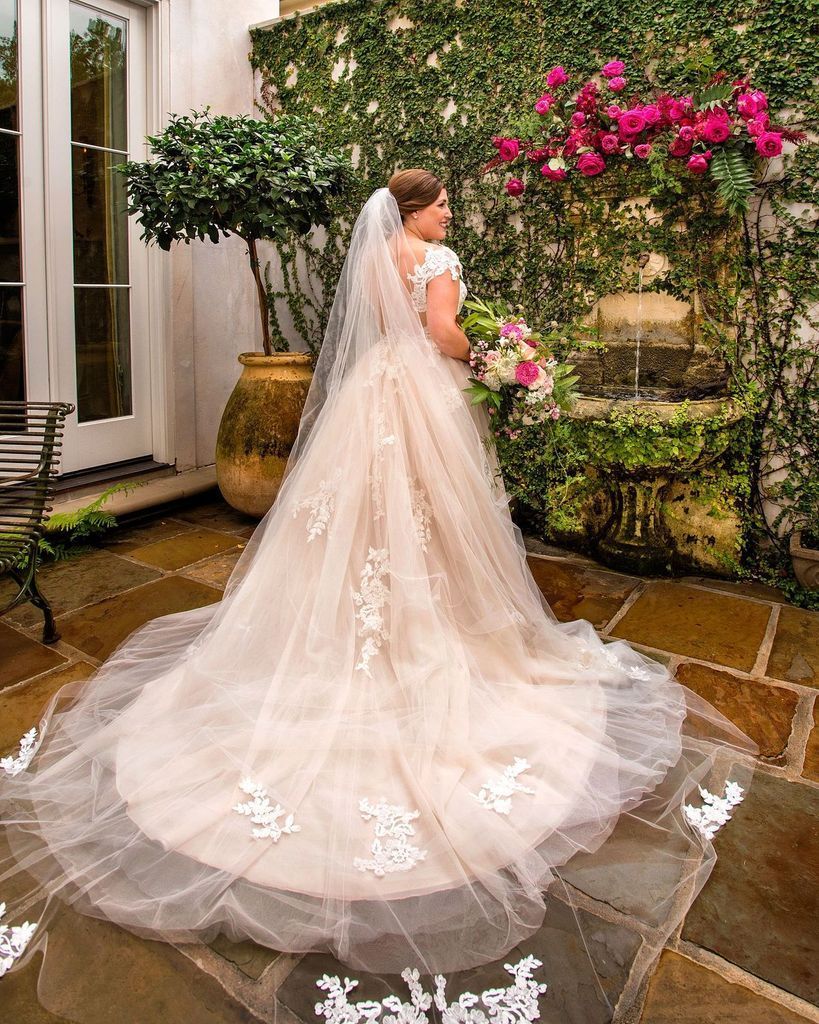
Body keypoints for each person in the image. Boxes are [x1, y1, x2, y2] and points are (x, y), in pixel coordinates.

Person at [0, 170, 756, 1022]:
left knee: (362, 523)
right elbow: (439, 334)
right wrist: (507, 362)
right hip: (424, 396)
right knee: (434, 522)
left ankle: (359, 629)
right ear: (414, 211)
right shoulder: (434, 256)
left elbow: (378, 333)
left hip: (372, 397)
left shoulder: (367, 258)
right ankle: (429, 632)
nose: (449, 216)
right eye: (441, 205)